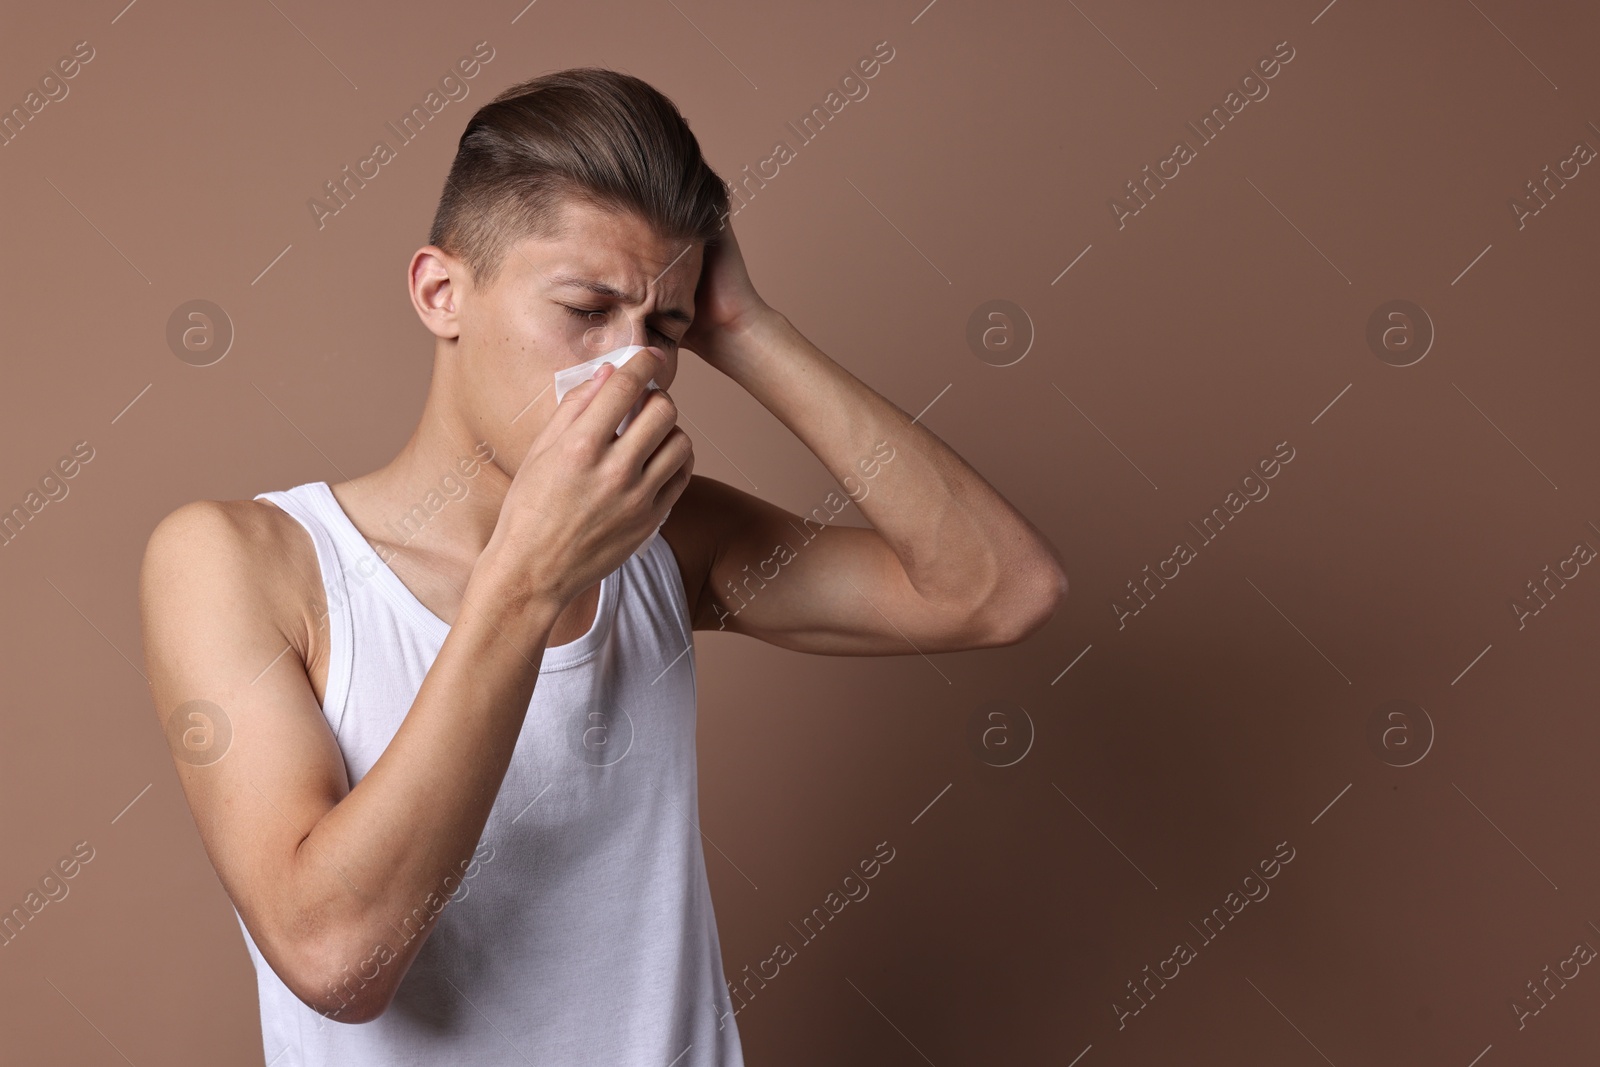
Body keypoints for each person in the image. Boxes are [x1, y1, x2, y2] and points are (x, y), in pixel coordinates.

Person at [138, 67, 1066, 1066]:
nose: (633, 368)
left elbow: (999, 586)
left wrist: (744, 325)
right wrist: (528, 578)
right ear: (440, 292)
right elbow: (338, 957)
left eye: (663, 329)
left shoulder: (662, 540)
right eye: (585, 308)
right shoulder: (240, 559)